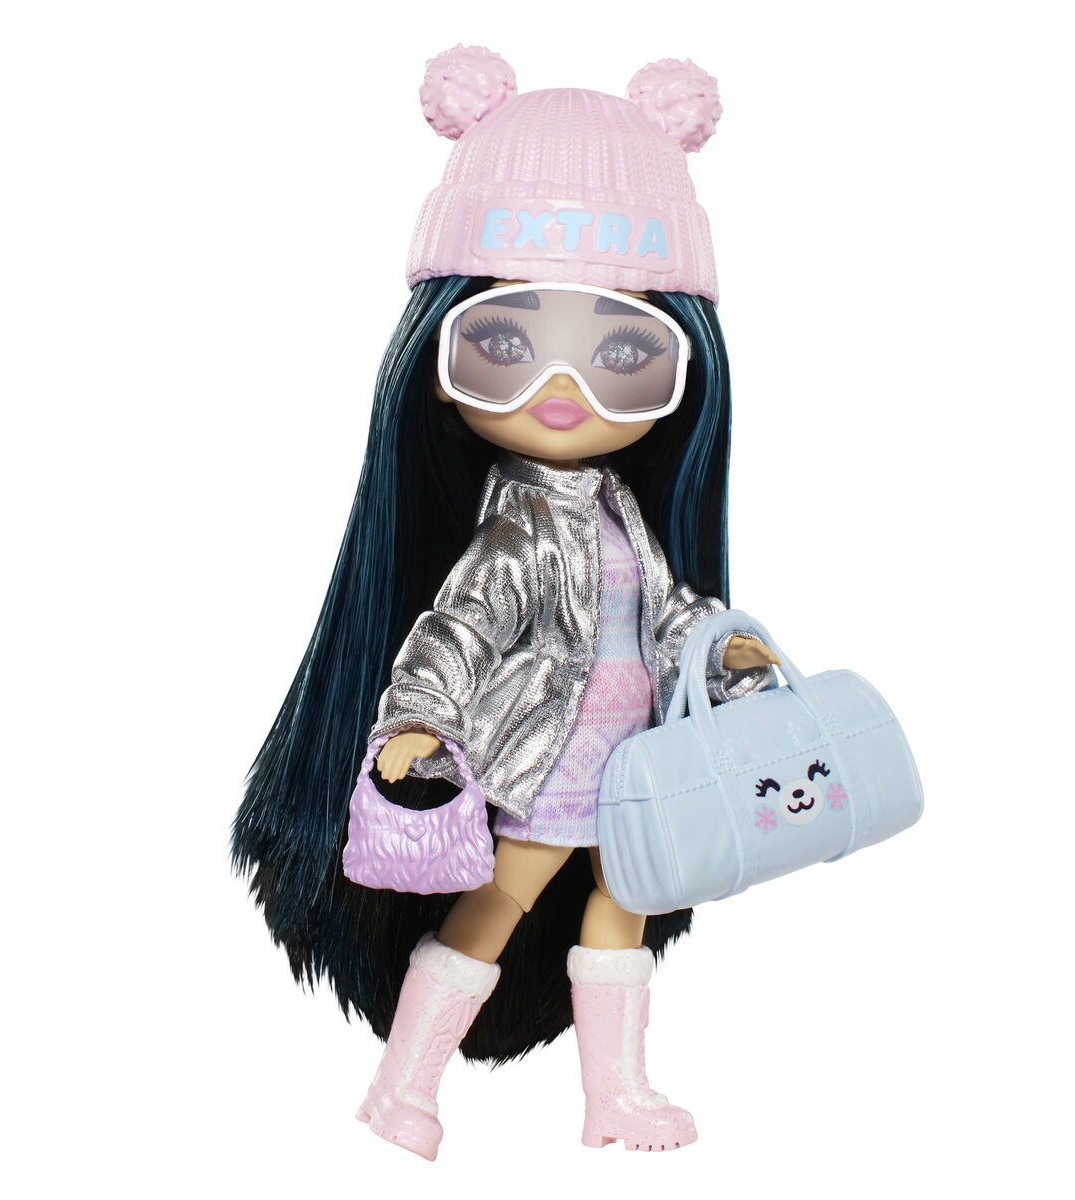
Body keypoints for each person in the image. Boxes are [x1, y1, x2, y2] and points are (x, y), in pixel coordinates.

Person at [233, 46, 775, 1160]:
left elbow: (662, 613)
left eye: (624, 353)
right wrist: (417, 722)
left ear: (690, 368)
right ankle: (403, 1088)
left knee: (621, 910)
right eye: (504, 348)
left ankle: (615, 1094)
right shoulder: (516, 528)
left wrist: (722, 653)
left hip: (633, 766)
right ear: (434, 358)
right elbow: (458, 629)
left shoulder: (622, 511)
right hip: (543, 764)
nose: (562, 388)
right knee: (494, 907)